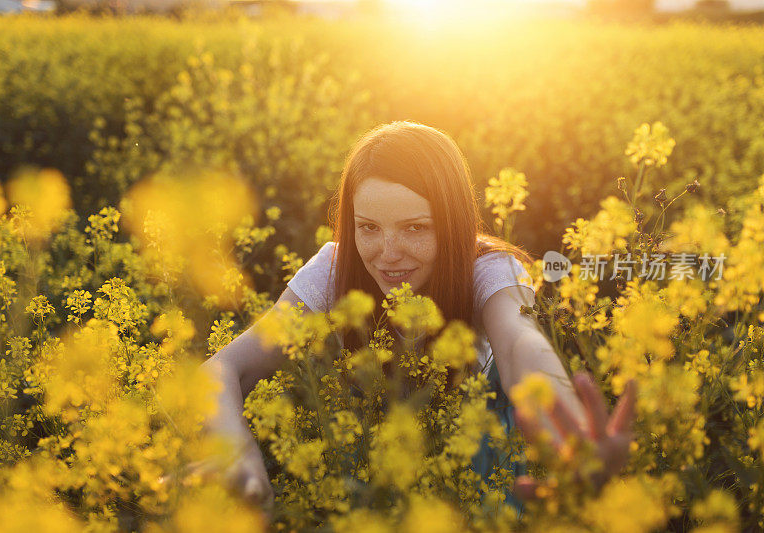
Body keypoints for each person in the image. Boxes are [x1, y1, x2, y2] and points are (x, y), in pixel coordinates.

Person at [200, 121, 637, 518]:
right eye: (368, 227)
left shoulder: (489, 271)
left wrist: (569, 421)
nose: (388, 253)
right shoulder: (335, 270)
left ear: (452, 224)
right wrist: (234, 454)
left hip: (481, 503)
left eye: (415, 228)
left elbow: (519, 342)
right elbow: (220, 369)